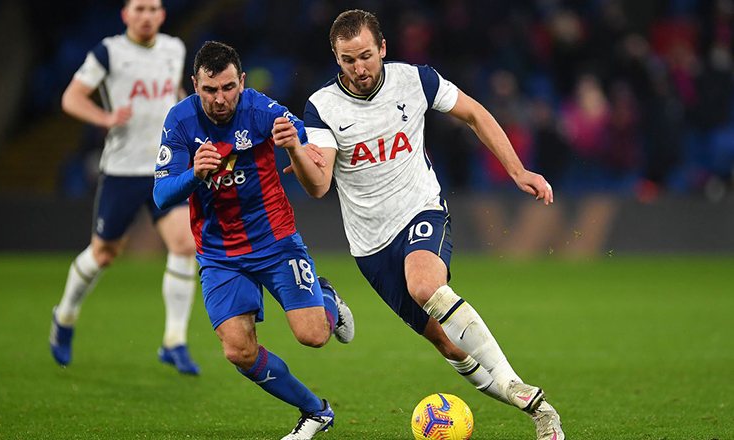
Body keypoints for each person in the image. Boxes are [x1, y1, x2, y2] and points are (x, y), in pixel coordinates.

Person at [273, 9, 565, 440]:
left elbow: (476, 114)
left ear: (383, 49)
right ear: (336, 58)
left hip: (421, 209)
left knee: (426, 286)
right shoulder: (323, 107)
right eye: (348, 60)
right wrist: (297, 151)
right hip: (371, 246)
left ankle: (530, 399)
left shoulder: (416, 79)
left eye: (366, 56)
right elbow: (318, 187)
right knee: (450, 345)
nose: (359, 68)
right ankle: (537, 410)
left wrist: (517, 170)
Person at [153, 41, 354, 440]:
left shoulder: (262, 109)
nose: (220, 98)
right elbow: (161, 196)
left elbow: (305, 142)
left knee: (313, 335)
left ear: (241, 81)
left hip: (275, 241)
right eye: (210, 90)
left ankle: (326, 296)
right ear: (195, 85)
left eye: (228, 87)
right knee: (238, 351)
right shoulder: (179, 122)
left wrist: (297, 144)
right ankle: (316, 411)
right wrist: (194, 174)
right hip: (220, 254)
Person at [49, 0, 201, 375]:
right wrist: (105, 117)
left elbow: (175, 95)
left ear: (162, 15)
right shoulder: (109, 51)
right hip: (122, 170)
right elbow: (71, 97)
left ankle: (174, 341)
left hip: (164, 167)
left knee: (185, 244)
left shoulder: (174, 49)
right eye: (140, 8)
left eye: (153, 8)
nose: (147, 15)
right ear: (126, 15)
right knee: (104, 254)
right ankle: (65, 316)